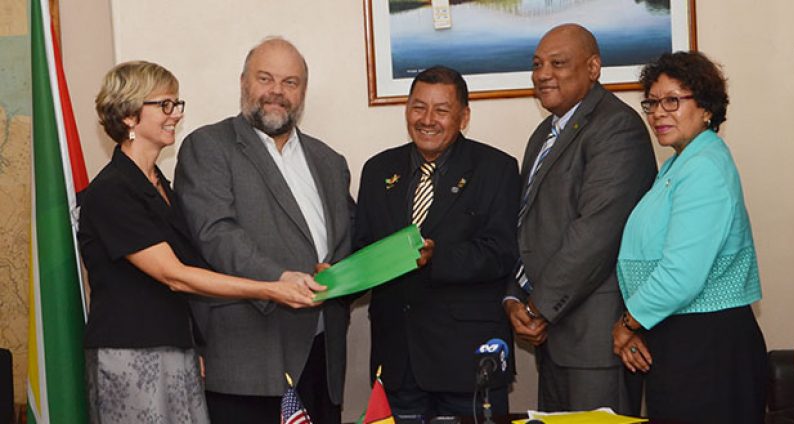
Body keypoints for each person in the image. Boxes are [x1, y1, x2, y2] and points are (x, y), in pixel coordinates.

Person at [80, 60, 324, 424]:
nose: (175, 115)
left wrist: (196, 343)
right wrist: (271, 288)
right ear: (130, 116)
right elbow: (176, 276)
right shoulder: (112, 191)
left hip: (176, 349)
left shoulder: (159, 185)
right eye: (164, 105)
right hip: (131, 355)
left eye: (176, 104)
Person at [174, 37, 353, 424]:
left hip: (322, 356)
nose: (276, 92)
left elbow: (347, 242)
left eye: (290, 82)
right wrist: (280, 280)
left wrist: (355, 270)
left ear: (303, 91)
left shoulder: (329, 161)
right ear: (243, 82)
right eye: (265, 78)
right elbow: (216, 234)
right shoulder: (208, 147)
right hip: (249, 359)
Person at [504, 24, 657, 414]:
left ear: (593, 67)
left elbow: (595, 235)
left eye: (558, 63)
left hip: (596, 339)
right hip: (554, 334)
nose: (542, 74)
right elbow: (529, 226)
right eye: (537, 64)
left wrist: (537, 309)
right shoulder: (544, 133)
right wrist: (514, 297)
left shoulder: (616, 127)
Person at [354, 65, 519, 420]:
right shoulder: (378, 170)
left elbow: (502, 253)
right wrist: (335, 277)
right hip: (398, 363)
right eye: (418, 107)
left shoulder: (497, 168)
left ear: (464, 116)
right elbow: (363, 250)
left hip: (468, 364)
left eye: (441, 110)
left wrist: (437, 257)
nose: (427, 119)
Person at [611, 51, 767, 423]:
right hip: (681, 338)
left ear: (707, 108)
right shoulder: (682, 162)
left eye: (673, 101)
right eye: (652, 102)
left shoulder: (705, 168)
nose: (658, 113)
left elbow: (682, 273)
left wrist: (627, 324)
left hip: (706, 346)